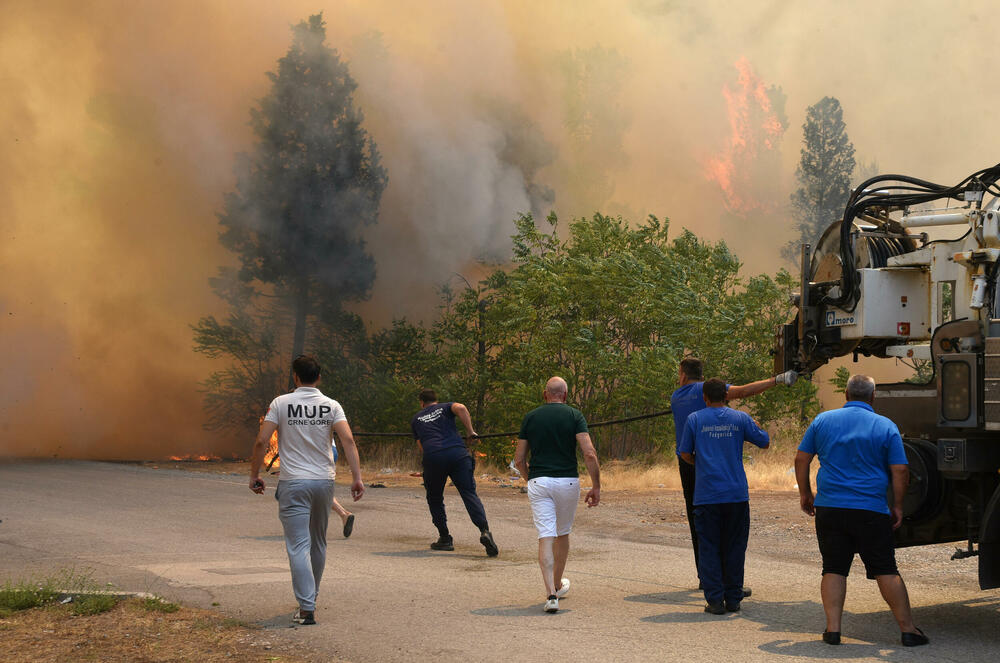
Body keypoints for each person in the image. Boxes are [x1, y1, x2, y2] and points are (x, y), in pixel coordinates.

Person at [795, 374, 928, 647]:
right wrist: (899, 505)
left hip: (830, 507)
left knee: (833, 567)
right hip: (870, 509)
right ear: (873, 396)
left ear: (845, 395)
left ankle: (833, 630)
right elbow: (901, 469)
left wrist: (805, 493)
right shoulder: (885, 425)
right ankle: (908, 630)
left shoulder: (822, 421)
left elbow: (801, 458)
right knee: (885, 569)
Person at [250, 355, 364, 626]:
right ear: (319, 377)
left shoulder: (280, 403)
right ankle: (311, 598)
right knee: (318, 543)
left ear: (295, 377)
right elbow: (347, 440)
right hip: (324, 482)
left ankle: (306, 608)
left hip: (294, 482)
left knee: (298, 545)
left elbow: (261, 441)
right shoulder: (331, 405)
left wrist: (254, 474)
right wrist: (357, 478)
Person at [671, 357, 796, 590]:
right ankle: (731, 584)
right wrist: (776, 380)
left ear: (683, 376)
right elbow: (743, 392)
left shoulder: (677, 397)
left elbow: (686, 450)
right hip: (721, 470)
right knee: (730, 528)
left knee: (700, 522)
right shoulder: (709, 392)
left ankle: (707, 579)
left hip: (690, 465)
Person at [678, 379, 769, 614]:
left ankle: (715, 600)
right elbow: (764, 441)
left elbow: (685, 453)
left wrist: (702, 464)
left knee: (709, 547)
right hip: (736, 495)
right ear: (726, 397)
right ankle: (734, 598)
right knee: (735, 547)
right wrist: (756, 424)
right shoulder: (740, 418)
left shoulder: (695, 419)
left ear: (705, 398)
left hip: (707, 495)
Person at [514, 376, 600, 613]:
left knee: (545, 535)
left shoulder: (531, 417)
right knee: (562, 534)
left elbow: (519, 459)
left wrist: (530, 478)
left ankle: (551, 593)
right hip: (567, 482)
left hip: (539, 481)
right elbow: (589, 453)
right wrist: (596, 485)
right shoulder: (575, 416)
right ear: (565, 394)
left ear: (545, 394)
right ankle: (557, 584)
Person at [411, 389, 498, 557]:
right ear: (436, 400)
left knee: (435, 498)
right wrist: (470, 432)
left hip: (434, 457)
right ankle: (484, 531)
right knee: (468, 493)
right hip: (458, 454)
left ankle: (444, 538)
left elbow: (421, 447)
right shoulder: (445, 407)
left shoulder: (416, 419)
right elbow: (462, 408)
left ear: (421, 403)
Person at [330, 444, 355, 538]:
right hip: (330, 449)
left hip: (315, 449)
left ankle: (343, 513)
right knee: (320, 488)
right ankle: (344, 514)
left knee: (310, 488)